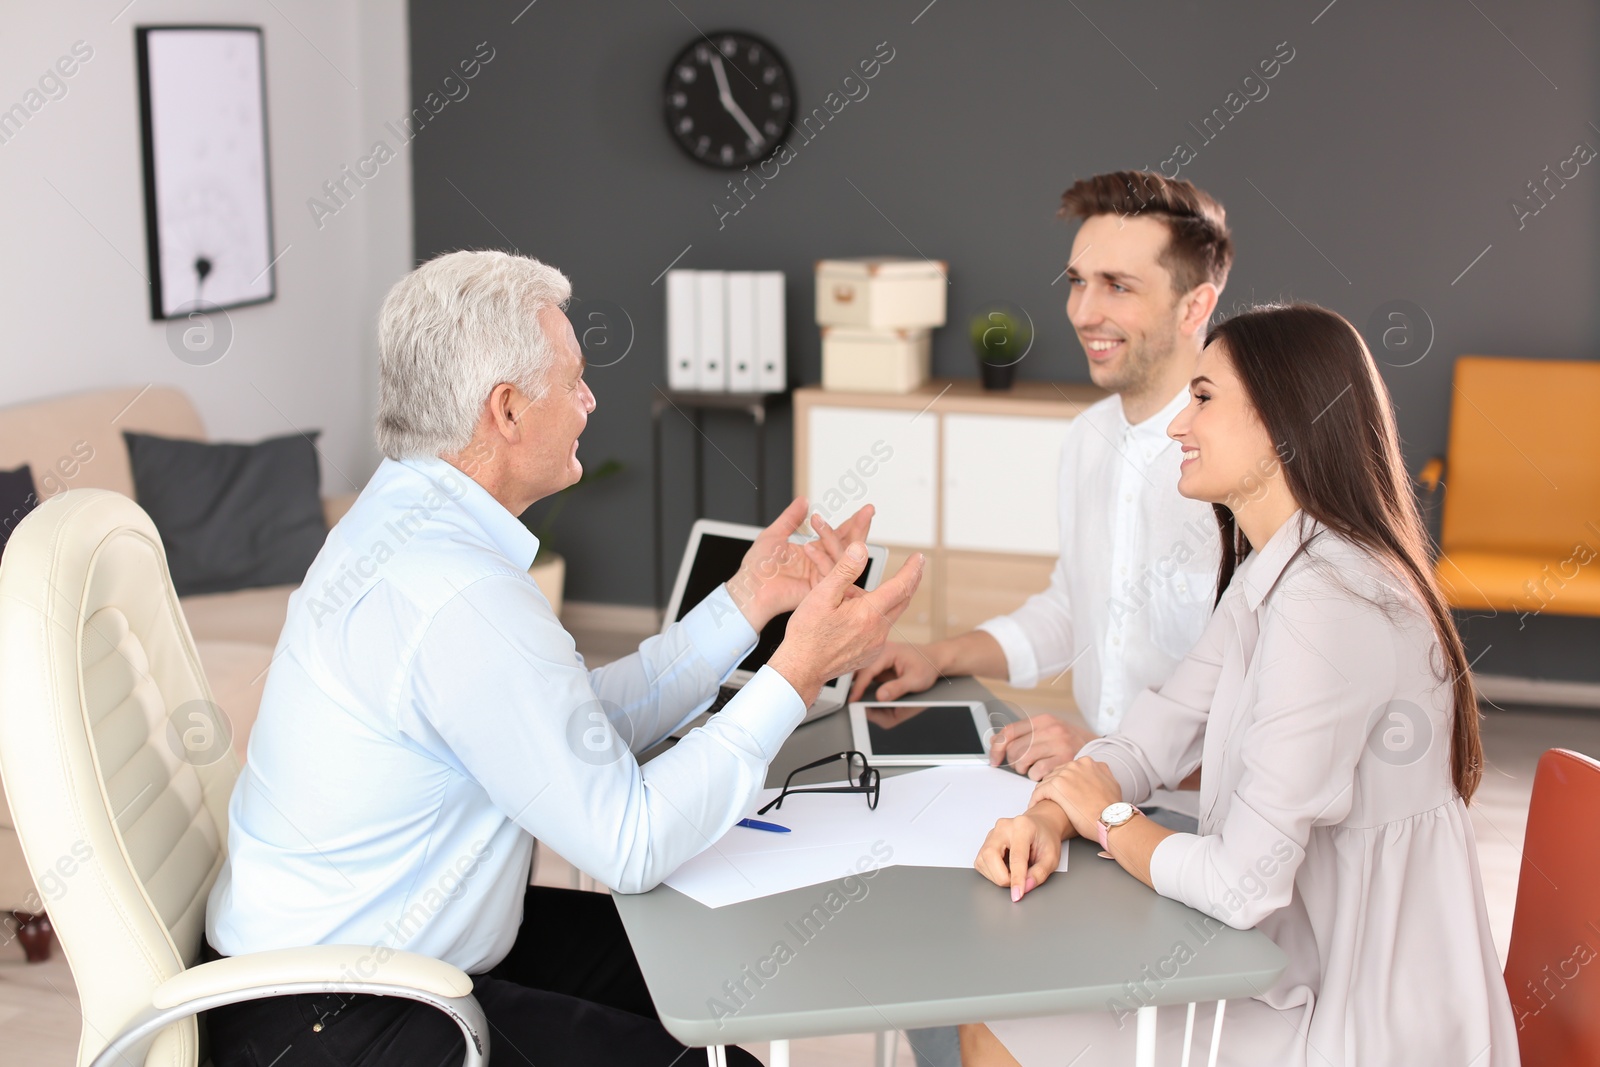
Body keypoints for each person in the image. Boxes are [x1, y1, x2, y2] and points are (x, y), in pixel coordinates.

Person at [202, 249, 924, 1067]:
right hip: (330, 1020)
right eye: (573, 379)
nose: (589, 401)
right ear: (506, 411)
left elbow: (574, 723)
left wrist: (745, 601)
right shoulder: (456, 593)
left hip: (381, 957)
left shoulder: (405, 524)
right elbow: (631, 839)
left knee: (693, 959)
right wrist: (796, 672)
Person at [966, 303, 1518, 1065]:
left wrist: (1111, 820)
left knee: (996, 1023)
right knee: (1011, 1003)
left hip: (1351, 1018)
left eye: (1202, 398)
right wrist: (1058, 812)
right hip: (1292, 967)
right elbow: (1156, 730)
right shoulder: (1280, 570)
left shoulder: (1329, 597)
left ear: (1283, 419)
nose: (1176, 427)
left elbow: (1242, 883)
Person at [851, 171, 1230, 1067]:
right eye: (1076, 280)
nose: (1083, 309)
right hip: (1089, 792)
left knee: (984, 1004)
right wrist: (937, 652)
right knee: (923, 946)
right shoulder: (1091, 436)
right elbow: (1072, 606)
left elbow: (1267, 707)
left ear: (1196, 304)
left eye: (1119, 285)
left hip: (1191, 825)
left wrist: (1100, 754)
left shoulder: (1236, 466)